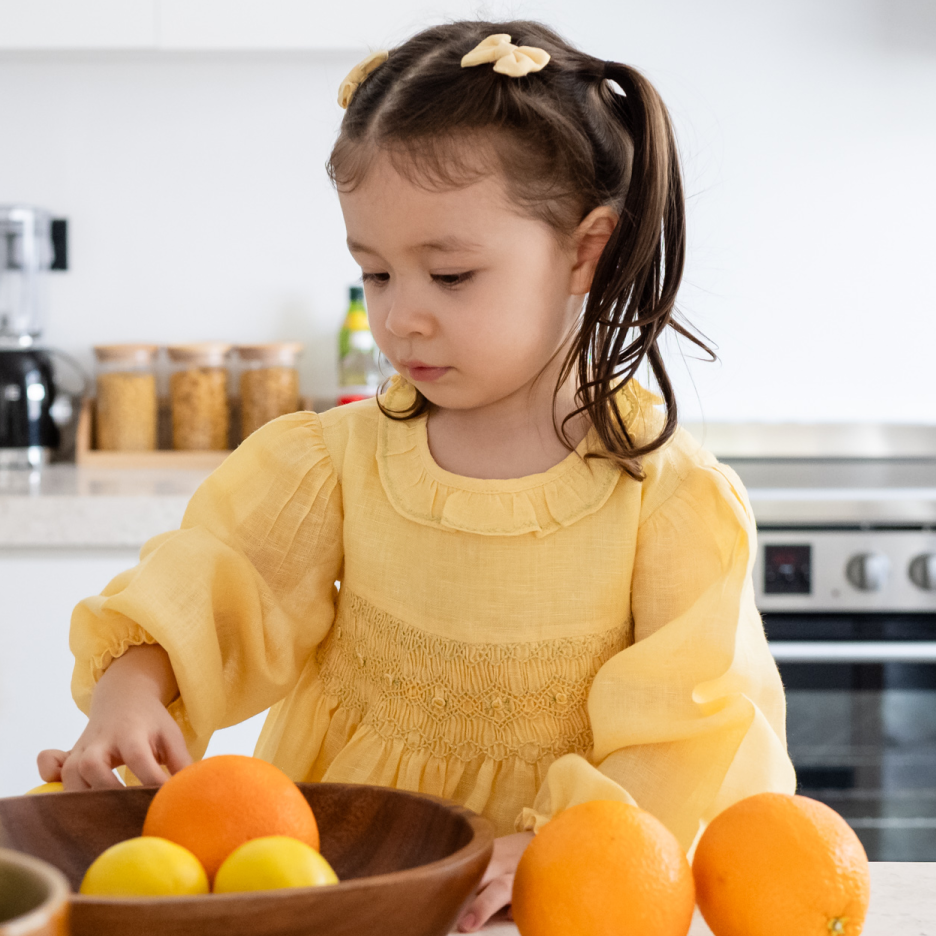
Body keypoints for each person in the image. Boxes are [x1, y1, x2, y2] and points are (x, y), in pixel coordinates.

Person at [38, 20, 795, 931]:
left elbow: (688, 733)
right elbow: (222, 581)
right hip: (349, 886)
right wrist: (132, 685)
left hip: (551, 898)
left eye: (451, 275)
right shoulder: (336, 463)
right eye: (376, 274)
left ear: (585, 250)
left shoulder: (668, 504)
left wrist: (557, 846)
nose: (400, 319)